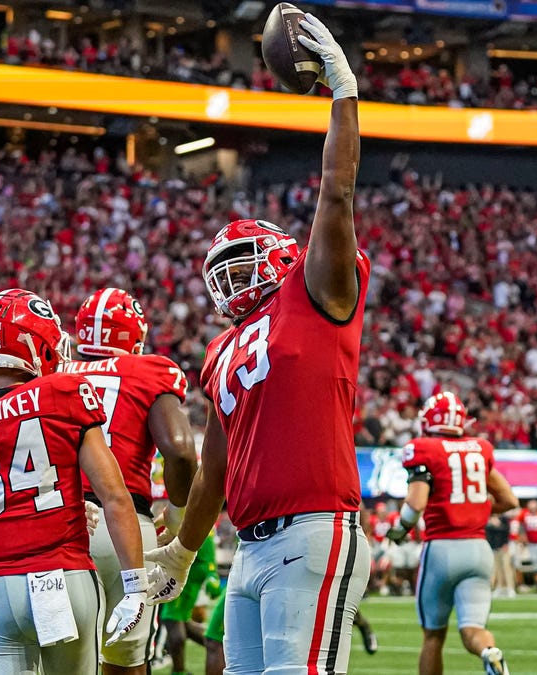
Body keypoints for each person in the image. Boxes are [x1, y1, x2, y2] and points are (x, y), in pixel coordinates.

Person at [146, 12, 372, 674]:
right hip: (248, 544)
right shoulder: (222, 350)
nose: (236, 279)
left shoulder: (316, 291)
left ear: (283, 258)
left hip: (313, 528)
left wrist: (342, 89)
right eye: (227, 269)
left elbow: (336, 193)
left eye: (248, 262)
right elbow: (216, 465)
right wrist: (185, 549)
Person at [0, 288, 151, 673]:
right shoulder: (64, 393)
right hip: (69, 577)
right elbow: (114, 496)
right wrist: (135, 584)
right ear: (36, 345)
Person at [62, 286, 197, 675]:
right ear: (135, 337)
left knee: (58, 660)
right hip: (121, 529)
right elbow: (181, 450)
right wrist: (176, 514)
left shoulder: (54, 373)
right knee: (126, 663)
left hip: (57, 523)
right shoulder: (150, 371)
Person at [389, 392, 517, 675]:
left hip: (443, 549)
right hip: (479, 549)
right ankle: (489, 652)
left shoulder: (423, 448)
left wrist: (400, 530)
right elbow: (509, 500)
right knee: (474, 629)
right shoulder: (479, 448)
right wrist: (476, 510)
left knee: (433, 636)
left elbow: (416, 503)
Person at [160, 531, 218, 675]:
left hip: (189, 584)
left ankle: (218, 647)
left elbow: (208, 555)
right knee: (178, 627)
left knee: (180, 623)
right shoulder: (189, 519)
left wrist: (212, 573)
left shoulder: (206, 526)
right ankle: (178, 670)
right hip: (178, 579)